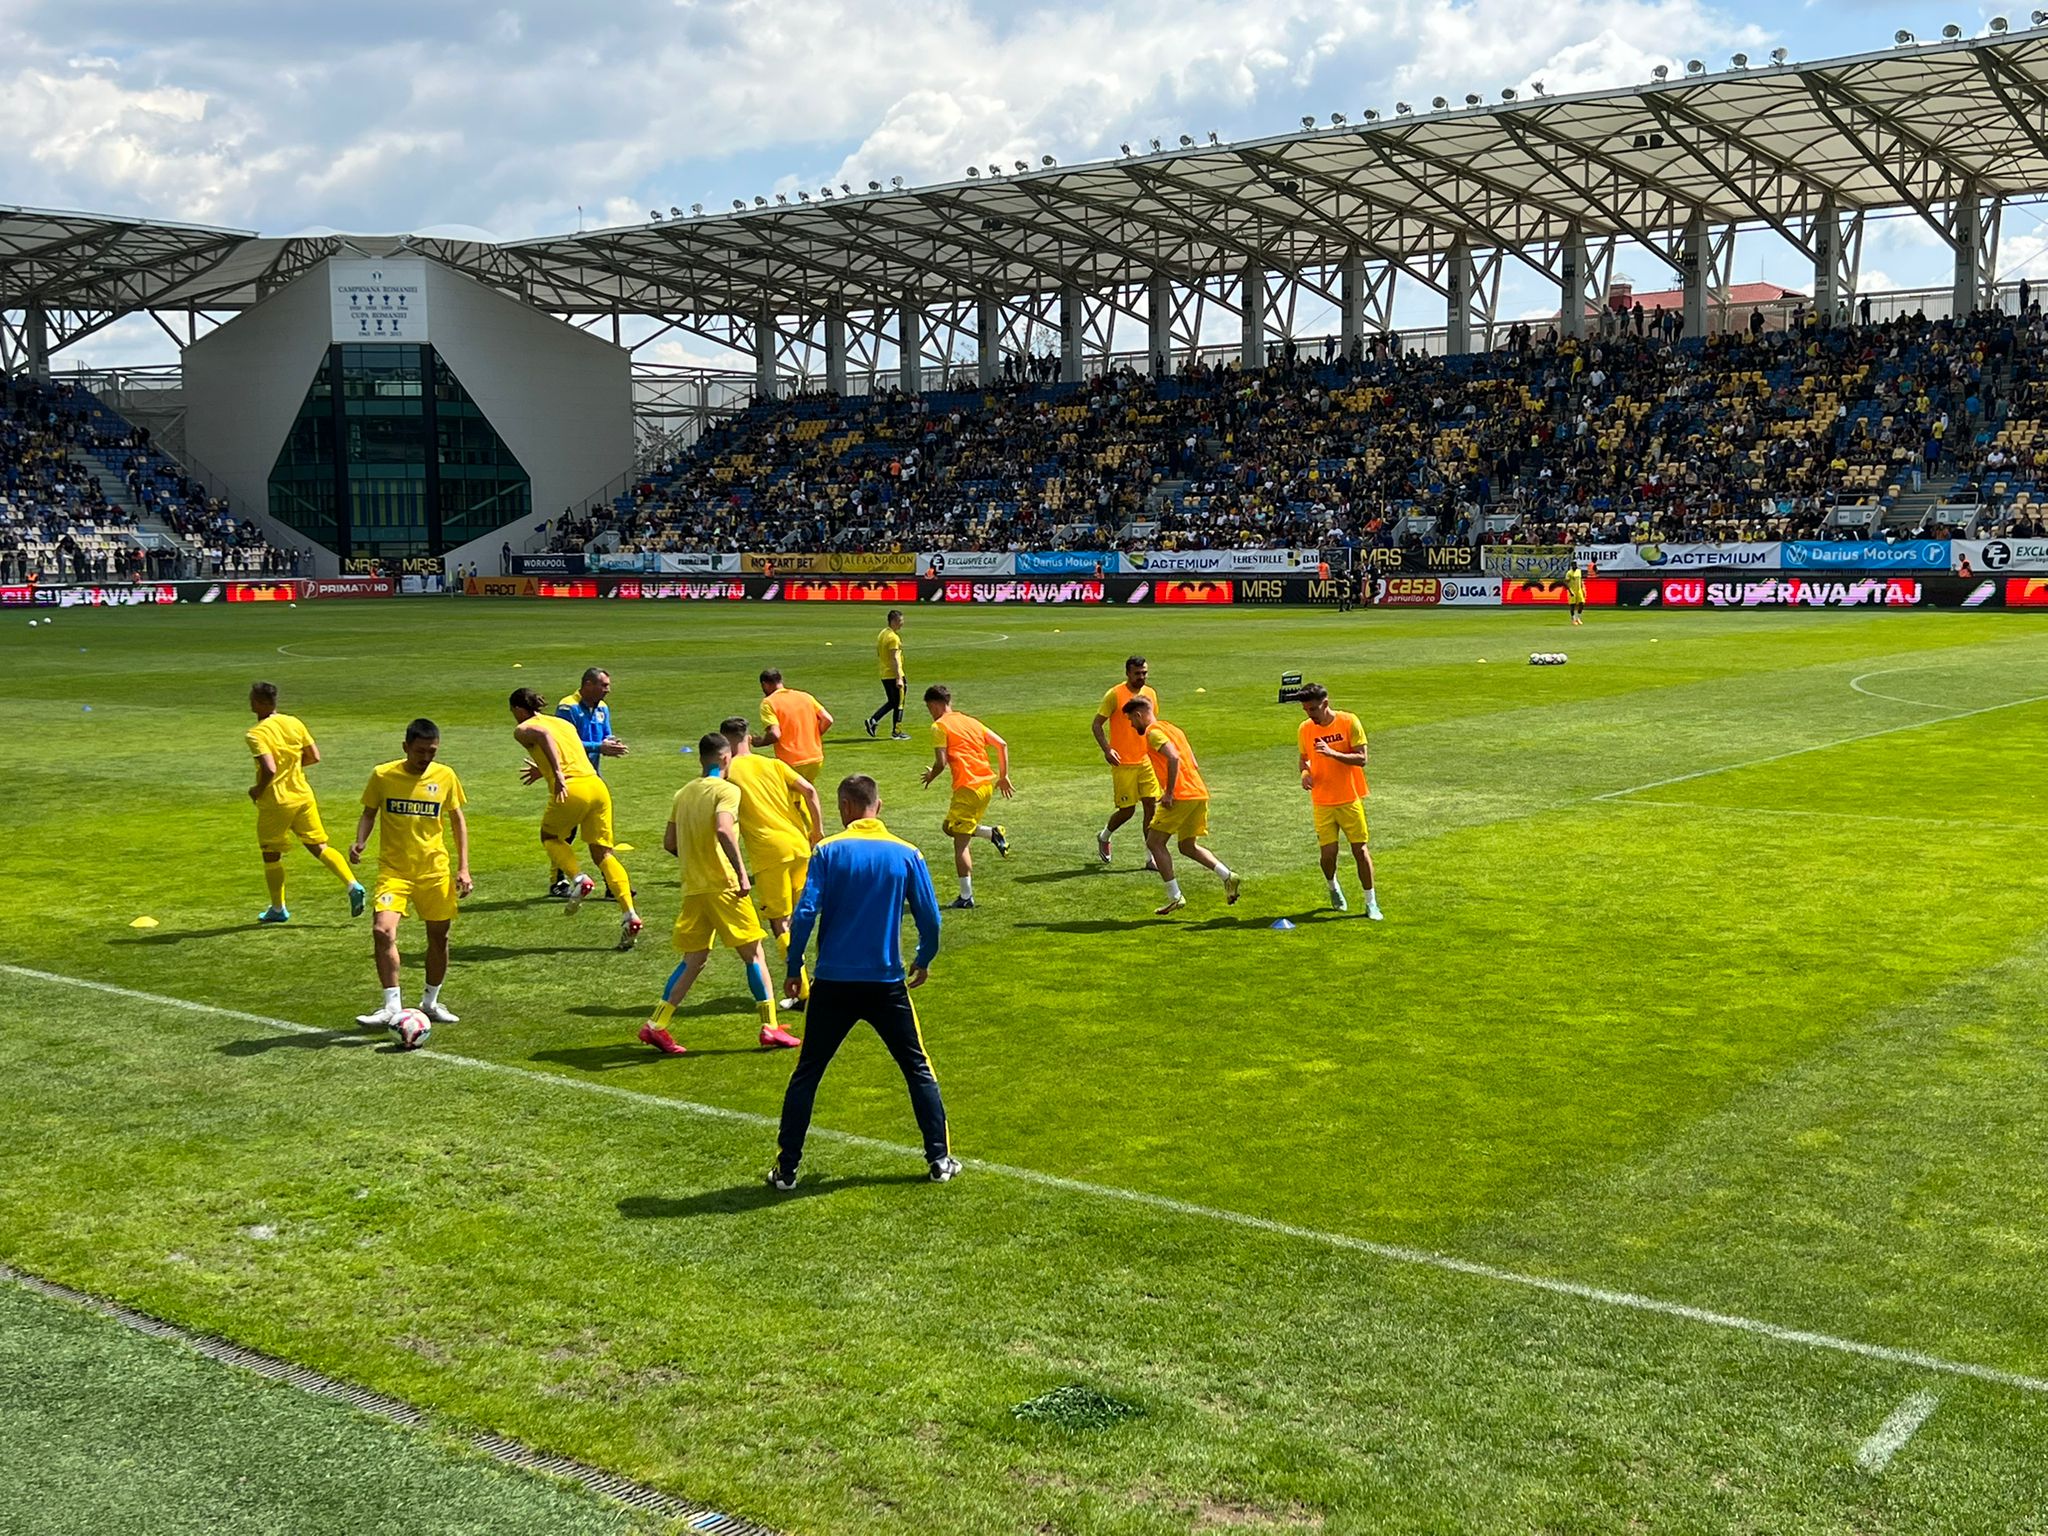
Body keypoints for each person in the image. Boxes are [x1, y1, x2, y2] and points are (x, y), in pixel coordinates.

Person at [769, 773, 955, 1189]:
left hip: (832, 983)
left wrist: (793, 966)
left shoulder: (828, 850)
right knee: (917, 1068)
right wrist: (923, 959)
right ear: (878, 805)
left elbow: (803, 914)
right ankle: (939, 1160)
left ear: (847, 808)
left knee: (808, 1073)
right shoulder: (907, 853)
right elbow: (931, 920)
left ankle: (787, 1170)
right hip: (886, 983)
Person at [640, 731, 798, 1056]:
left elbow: (670, 844)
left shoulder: (683, 793)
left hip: (694, 888)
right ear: (726, 759)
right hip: (723, 886)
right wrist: (741, 873)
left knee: (694, 960)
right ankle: (770, 1027)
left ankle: (656, 1025)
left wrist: (696, 859)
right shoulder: (727, 790)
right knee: (754, 955)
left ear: (701, 758)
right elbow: (724, 829)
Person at [349, 719, 471, 1028]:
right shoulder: (383, 775)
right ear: (405, 747)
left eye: (431, 751)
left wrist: (463, 867)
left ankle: (430, 1003)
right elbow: (369, 812)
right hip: (395, 871)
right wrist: (360, 841)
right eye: (420, 751)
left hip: (434, 871)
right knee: (382, 930)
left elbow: (457, 821)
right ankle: (392, 1006)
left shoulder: (445, 776)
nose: (425, 758)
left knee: (439, 937)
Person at [509, 687, 642, 949]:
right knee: (603, 853)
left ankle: (578, 878)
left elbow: (543, 735)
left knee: (550, 837)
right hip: (596, 786)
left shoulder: (524, 727)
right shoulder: (562, 723)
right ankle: (630, 914)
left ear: (517, 709)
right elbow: (570, 751)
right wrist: (543, 770)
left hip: (572, 789)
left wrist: (556, 773)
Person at [718, 716, 824, 1016]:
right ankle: (815, 982)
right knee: (801, 919)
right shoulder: (774, 764)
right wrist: (817, 831)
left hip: (769, 853)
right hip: (799, 845)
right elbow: (810, 791)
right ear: (749, 737)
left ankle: (804, 990)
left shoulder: (727, 772)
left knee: (780, 922)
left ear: (724, 742)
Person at [244, 681, 364, 924]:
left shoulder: (256, 734)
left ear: (258, 702)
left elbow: (269, 768)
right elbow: (314, 756)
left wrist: (257, 789)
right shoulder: (294, 722)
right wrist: (291, 768)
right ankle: (352, 884)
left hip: (277, 801)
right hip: (303, 795)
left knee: (271, 854)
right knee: (319, 845)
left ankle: (278, 908)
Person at [1122, 696, 1239, 916]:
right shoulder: (1173, 729)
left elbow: (1173, 758)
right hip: (1198, 792)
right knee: (1187, 846)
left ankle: (1175, 897)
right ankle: (1227, 875)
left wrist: (1169, 792)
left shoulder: (1153, 733)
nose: (1131, 725)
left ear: (1138, 715)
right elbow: (1192, 762)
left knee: (1154, 842)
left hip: (1181, 796)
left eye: (1131, 720)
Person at [919, 685, 1012, 908]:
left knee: (961, 844)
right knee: (949, 827)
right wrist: (1004, 776)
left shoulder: (939, 726)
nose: (930, 712)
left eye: (930, 707)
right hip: (985, 786)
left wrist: (932, 775)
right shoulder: (971, 721)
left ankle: (966, 897)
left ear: (935, 704)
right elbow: (1001, 744)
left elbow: (941, 762)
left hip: (967, 789)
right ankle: (992, 833)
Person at [1296, 683, 1380, 919]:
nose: (1309, 715)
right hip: (1322, 801)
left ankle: (1371, 902)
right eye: (1305, 710)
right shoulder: (1305, 729)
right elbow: (1303, 760)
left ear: (1325, 704)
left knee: (1360, 851)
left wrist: (1333, 754)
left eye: (1312, 709)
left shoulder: (1348, 721)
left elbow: (1362, 759)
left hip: (1349, 798)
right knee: (1328, 855)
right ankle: (1333, 887)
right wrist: (1304, 774)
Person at [544, 667, 629, 898]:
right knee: (564, 834)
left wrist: (611, 743)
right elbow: (563, 744)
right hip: (570, 779)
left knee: (602, 836)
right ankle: (558, 881)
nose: (608, 690)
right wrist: (598, 747)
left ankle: (613, 886)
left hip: (593, 778)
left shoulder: (602, 708)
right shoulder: (567, 707)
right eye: (604, 686)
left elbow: (606, 735)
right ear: (588, 684)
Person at [1090, 655, 1159, 868]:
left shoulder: (1150, 694)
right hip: (1123, 763)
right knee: (1127, 811)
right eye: (1137, 673)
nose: (1142, 677)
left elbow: (1152, 726)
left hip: (1146, 761)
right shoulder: (1115, 695)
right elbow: (1097, 725)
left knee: (1151, 807)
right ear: (1127, 673)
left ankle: (1150, 857)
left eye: (1145, 673)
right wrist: (1107, 749)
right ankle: (1104, 836)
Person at [756, 667, 832, 782]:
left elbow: (775, 734)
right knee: (807, 792)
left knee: (789, 797)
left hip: (791, 760)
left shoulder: (769, 703)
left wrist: (760, 742)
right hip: (815, 757)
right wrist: (814, 735)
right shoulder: (805, 696)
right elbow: (827, 719)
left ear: (764, 684)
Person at [864, 609, 911, 739]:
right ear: (894, 621)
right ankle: (897, 732)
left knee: (892, 702)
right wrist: (899, 678)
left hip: (884, 673)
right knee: (899, 704)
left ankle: (873, 720)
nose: (902, 623)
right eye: (900, 621)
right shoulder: (893, 638)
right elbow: (895, 658)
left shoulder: (883, 634)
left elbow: (879, 652)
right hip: (894, 674)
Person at [1565, 561, 1587, 626]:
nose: (1575, 566)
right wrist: (1570, 591)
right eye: (1574, 565)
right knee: (1572, 605)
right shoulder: (1569, 573)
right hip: (1572, 590)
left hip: (1579, 590)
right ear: (1572, 566)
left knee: (1582, 603)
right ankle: (1573, 619)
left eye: (1576, 565)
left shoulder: (1579, 571)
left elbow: (1580, 580)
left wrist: (1583, 588)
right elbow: (1566, 583)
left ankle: (1578, 618)